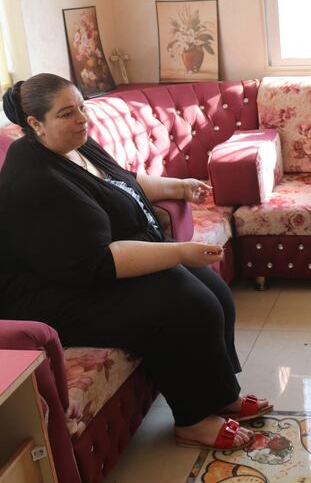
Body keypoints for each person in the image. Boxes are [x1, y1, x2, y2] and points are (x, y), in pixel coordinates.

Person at [0, 73, 273, 451]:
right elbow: (97, 262)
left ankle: (220, 396)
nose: (82, 118)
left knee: (213, 291)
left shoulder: (76, 143)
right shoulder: (36, 178)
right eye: (67, 113)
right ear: (35, 124)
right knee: (185, 303)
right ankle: (193, 420)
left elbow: (123, 181)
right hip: (56, 295)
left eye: (81, 106)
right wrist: (178, 251)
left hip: (91, 267)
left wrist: (179, 186)